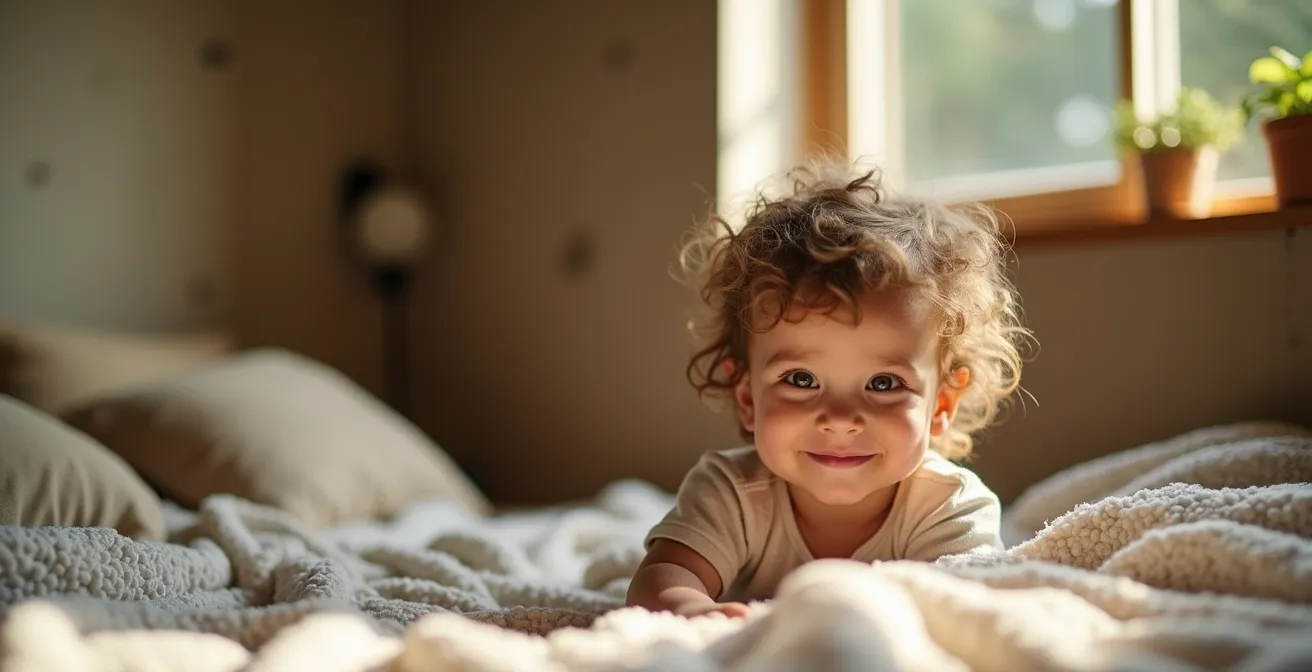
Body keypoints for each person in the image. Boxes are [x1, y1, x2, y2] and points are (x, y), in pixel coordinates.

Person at [626, 158, 1032, 618]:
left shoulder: (949, 505)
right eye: (801, 380)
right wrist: (693, 611)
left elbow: (962, 607)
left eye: (883, 383)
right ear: (747, 398)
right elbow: (661, 581)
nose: (840, 418)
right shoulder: (732, 493)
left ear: (941, 403)